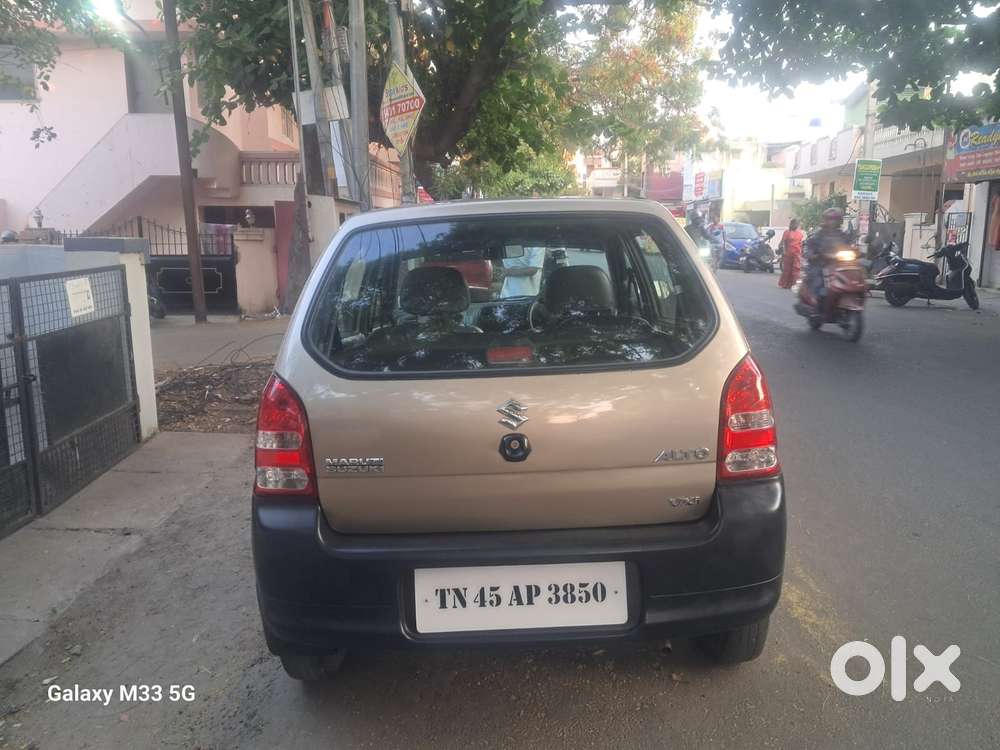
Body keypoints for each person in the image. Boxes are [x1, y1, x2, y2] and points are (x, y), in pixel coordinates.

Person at [804, 207, 850, 309]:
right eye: (830, 219)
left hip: (839, 265)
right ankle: (815, 303)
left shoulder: (843, 235)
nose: (833, 222)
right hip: (821, 264)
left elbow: (849, 247)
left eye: (836, 219)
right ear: (825, 220)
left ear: (840, 221)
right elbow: (809, 248)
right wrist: (814, 255)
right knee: (818, 278)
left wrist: (857, 252)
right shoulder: (818, 235)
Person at [777, 218, 804, 289]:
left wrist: (801, 253)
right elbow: (783, 242)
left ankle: (791, 284)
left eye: (798, 224)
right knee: (791, 270)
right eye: (797, 224)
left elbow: (800, 244)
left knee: (792, 269)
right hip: (792, 253)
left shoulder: (797, 233)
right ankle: (789, 284)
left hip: (793, 253)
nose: (798, 225)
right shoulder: (790, 232)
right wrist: (782, 249)